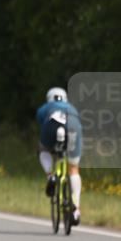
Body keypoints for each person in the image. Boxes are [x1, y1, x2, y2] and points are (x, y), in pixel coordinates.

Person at [36, 87, 83, 225]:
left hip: (51, 125)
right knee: (73, 167)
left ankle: (50, 175)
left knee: (43, 150)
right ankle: (76, 210)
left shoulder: (45, 108)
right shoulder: (72, 108)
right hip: (73, 126)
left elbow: (42, 124)